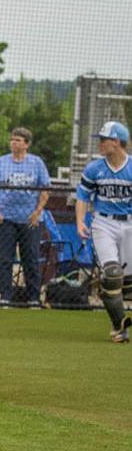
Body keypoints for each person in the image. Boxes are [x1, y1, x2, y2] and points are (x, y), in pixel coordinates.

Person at [74, 121, 132, 343]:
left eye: (103, 140)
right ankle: (119, 328)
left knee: (126, 285)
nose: (99, 144)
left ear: (116, 142)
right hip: (104, 224)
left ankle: (112, 305)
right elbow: (83, 197)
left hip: (129, 224)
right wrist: (80, 222)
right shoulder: (94, 168)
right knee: (112, 273)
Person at [0, 127, 52, 306]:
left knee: (30, 259)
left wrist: (37, 213)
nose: (14, 143)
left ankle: (34, 299)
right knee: (5, 259)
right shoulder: (0, 162)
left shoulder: (36, 163)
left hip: (30, 220)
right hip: (4, 219)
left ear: (27, 144)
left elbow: (45, 189)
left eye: (18, 140)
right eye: (12, 140)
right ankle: (5, 297)